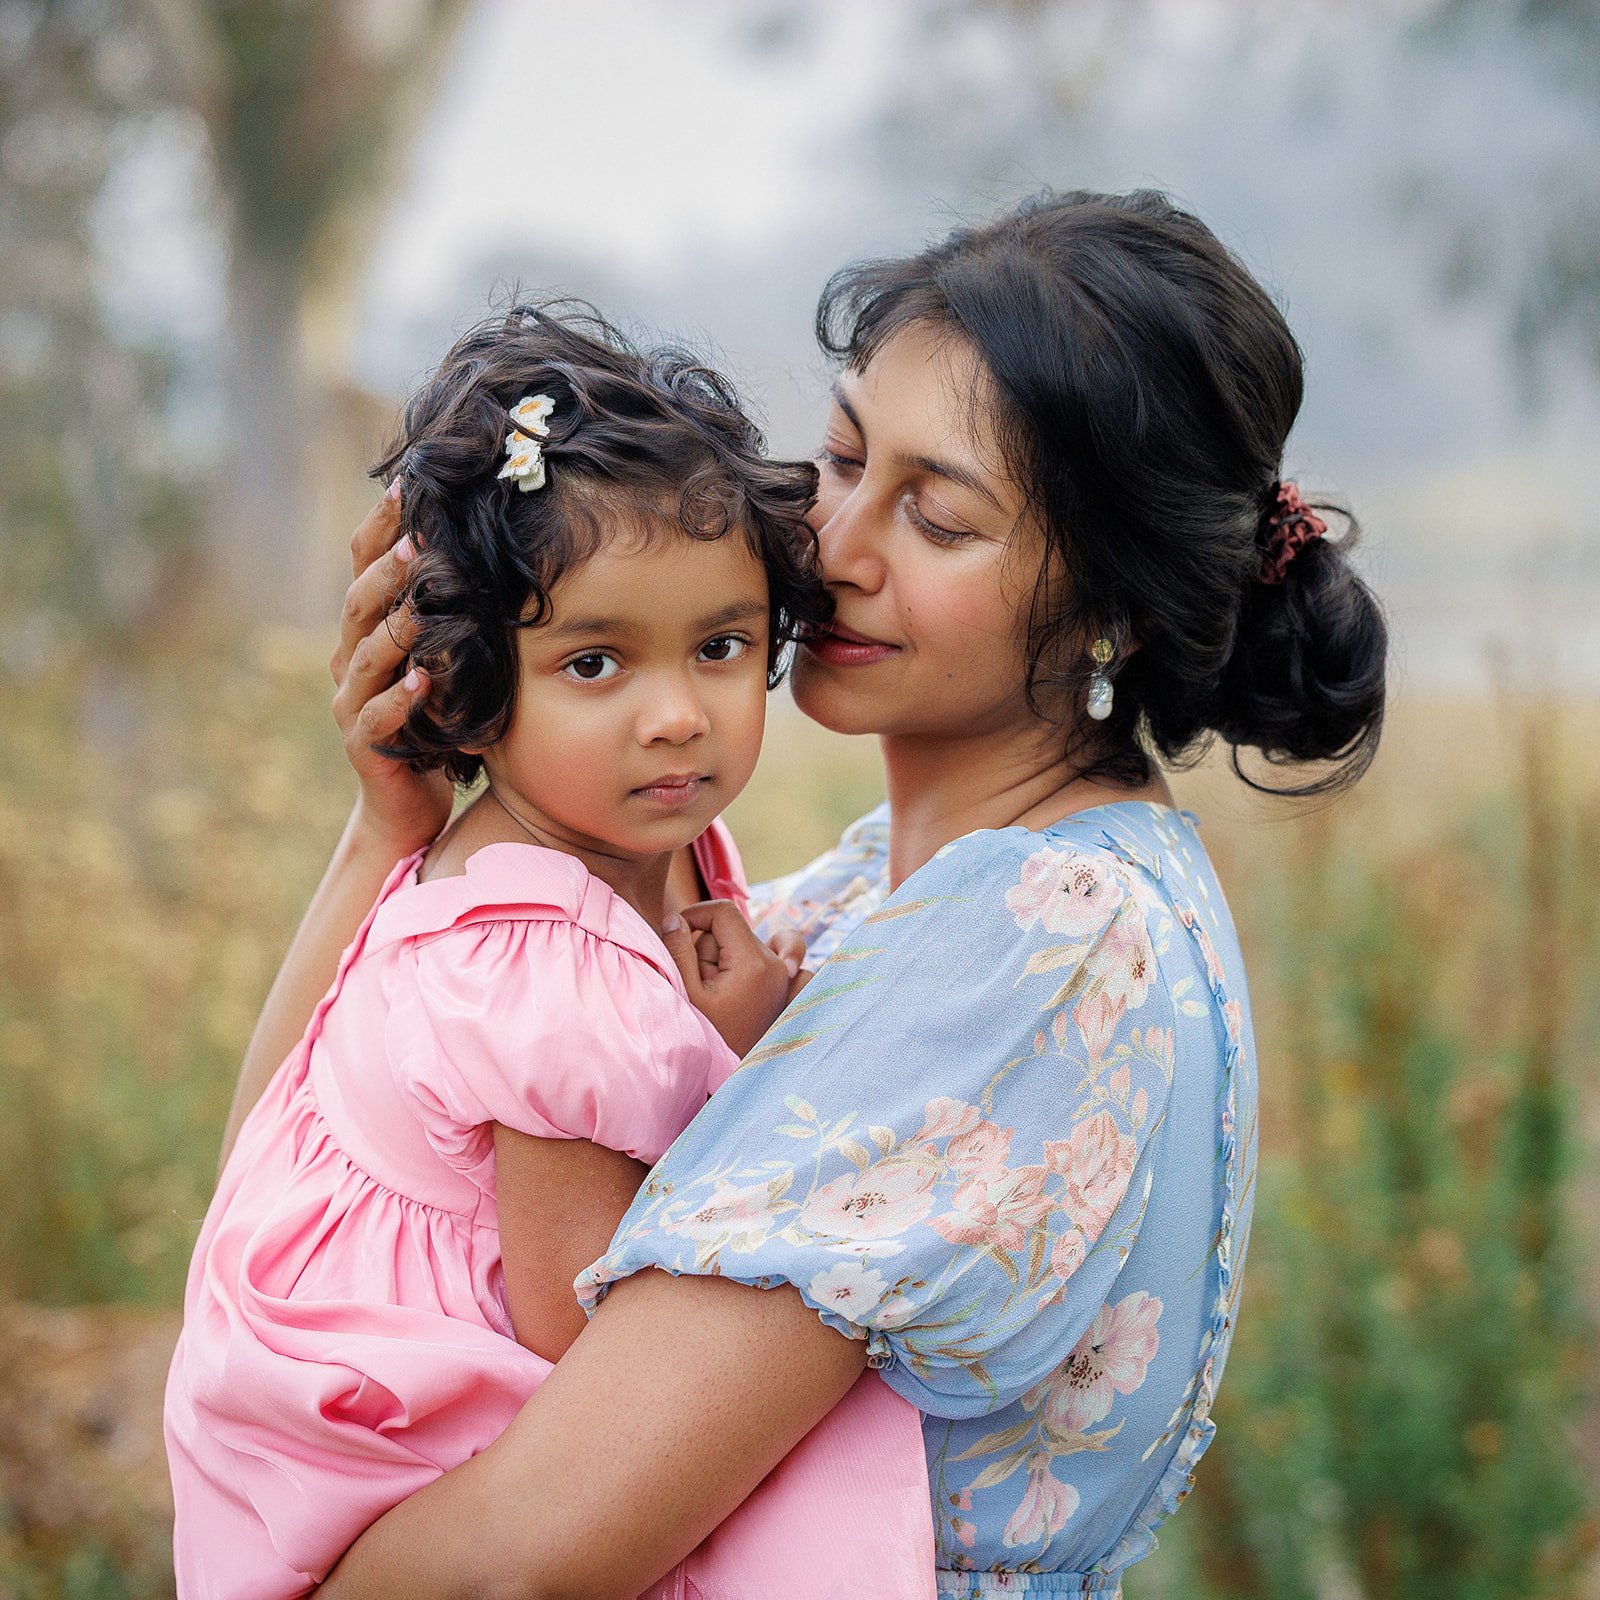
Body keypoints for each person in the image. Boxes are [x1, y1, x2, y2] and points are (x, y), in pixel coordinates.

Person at [221, 190, 1387, 1598]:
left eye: (939, 518)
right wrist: (386, 833)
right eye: (841, 458)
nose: (834, 547)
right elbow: (281, 1207)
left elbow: (523, 1557)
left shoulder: (1040, 944)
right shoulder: (867, 901)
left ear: (1113, 610)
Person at [164, 305, 938, 1598]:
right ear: (467, 680)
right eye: (595, 661)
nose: (677, 714)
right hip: (397, 1450)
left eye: (721, 645)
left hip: (300, 1412)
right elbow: (583, 1332)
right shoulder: (546, 969)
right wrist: (747, 1072)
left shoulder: (624, 834)